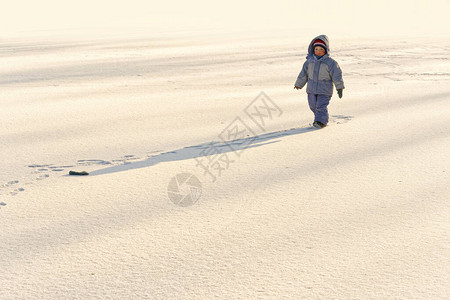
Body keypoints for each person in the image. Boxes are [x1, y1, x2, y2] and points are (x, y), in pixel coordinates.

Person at [294, 35, 345, 128]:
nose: (318, 51)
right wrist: (299, 84)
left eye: (321, 49)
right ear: (313, 49)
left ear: (325, 50)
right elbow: (303, 74)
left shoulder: (331, 63)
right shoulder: (309, 62)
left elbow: (337, 75)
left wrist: (339, 87)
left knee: (320, 106)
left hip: (325, 90)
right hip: (311, 89)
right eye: (316, 49)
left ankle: (321, 121)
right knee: (313, 106)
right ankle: (320, 117)